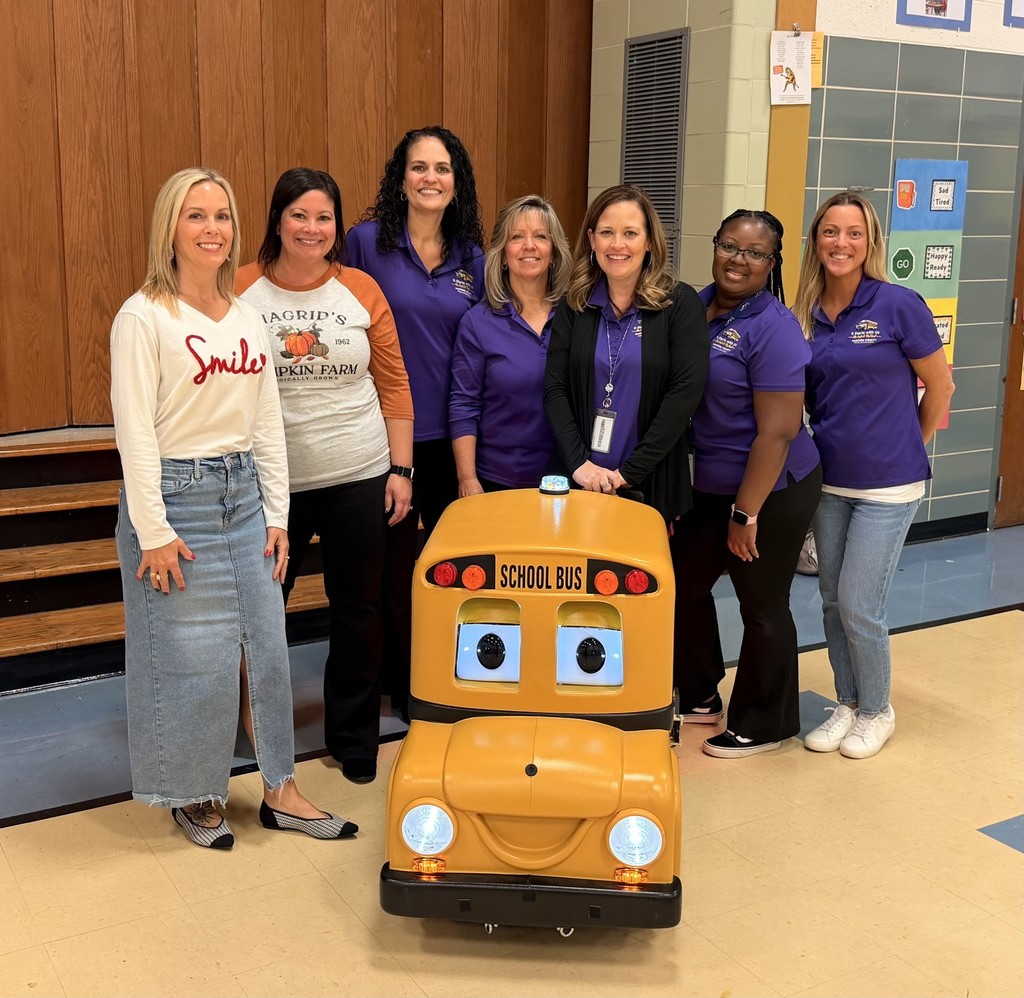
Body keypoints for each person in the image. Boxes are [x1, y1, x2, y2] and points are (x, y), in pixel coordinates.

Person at [111, 167, 357, 849]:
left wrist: (277, 515)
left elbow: (266, 423)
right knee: (190, 658)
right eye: (196, 216)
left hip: (243, 498)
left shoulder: (246, 316)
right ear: (170, 228)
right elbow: (134, 433)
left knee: (267, 648)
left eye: (221, 216)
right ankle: (195, 793)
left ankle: (281, 789)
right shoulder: (143, 317)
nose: (212, 229)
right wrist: (153, 530)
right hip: (175, 503)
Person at [237, 168, 414, 785]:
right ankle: (258, 730)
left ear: (337, 227)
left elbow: (393, 384)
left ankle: (354, 737)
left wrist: (401, 468)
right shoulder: (240, 289)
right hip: (269, 484)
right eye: (299, 215)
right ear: (277, 220)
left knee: (358, 609)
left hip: (358, 472)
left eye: (324, 218)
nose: (312, 229)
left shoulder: (360, 289)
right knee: (261, 613)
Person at [794, 192, 954, 759]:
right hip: (829, 482)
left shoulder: (898, 304)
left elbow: (941, 387)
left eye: (853, 233)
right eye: (830, 232)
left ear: (870, 242)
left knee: (860, 604)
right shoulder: (805, 314)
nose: (841, 243)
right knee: (831, 601)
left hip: (889, 486)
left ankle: (877, 709)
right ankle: (848, 700)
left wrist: (909, 443)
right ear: (817, 241)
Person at [347, 126, 485, 720]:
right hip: (383, 437)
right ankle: (397, 685)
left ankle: (446, 677)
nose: (431, 178)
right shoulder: (364, 243)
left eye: (442, 168)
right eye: (419, 167)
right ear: (400, 178)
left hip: (453, 437)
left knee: (452, 571)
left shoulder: (472, 257)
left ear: (457, 182)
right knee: (391, 570)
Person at [673, 210, 822, 758]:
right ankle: (699, 693)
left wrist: (745, 514)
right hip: (710, 484)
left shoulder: (773, 327)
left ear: (772, 263)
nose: (739, 259)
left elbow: (778, 433)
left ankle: (765, 723)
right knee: (682, 584)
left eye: (756, 252)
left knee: (761, 603)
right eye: (730, 245)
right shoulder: (695, 306)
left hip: (771, 487)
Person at [543, 183, 709, 521]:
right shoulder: (575, 303)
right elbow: (555, 388)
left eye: (630, 233)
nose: (617, 244)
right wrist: (580, 466)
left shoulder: (679, 304)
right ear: (592, 240)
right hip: (579, 483)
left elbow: (684, 396)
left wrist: (629, 473)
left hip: (650, 483)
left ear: (649, 242)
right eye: (607, 232)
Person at [450, 195, 571, 494]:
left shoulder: (576, 316)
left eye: (541, 236)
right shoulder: (478, 323)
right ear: (503, 255)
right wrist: (467, 479)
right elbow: (464, 405)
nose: (529, 245)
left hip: (570, 479)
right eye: (517, 237)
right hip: (499, 480)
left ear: (554, 252)